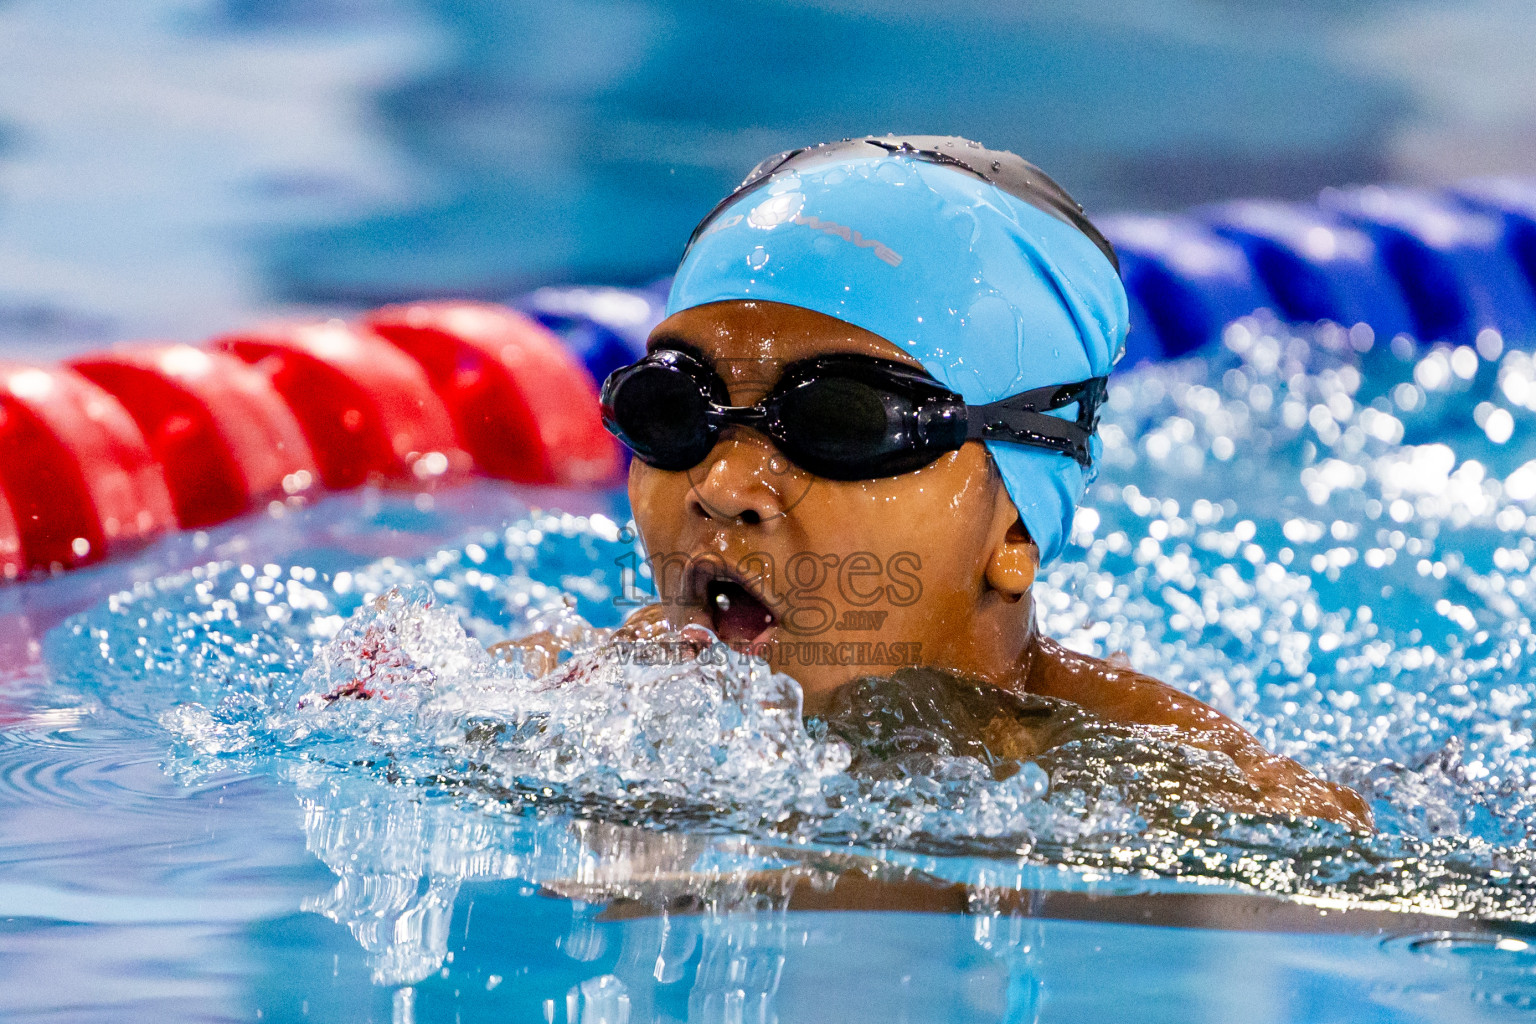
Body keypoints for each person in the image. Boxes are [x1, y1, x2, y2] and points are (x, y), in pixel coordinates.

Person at [522, 136, 1370, 830]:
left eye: (841, 424)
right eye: (673, 409)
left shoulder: (1173, 798)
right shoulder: (572, 703)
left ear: (1014, 533)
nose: (722, 482)